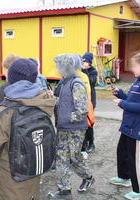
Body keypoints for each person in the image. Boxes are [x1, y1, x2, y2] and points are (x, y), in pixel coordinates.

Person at [0, 58, 56, 200]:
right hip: (34, 169)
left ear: (12, 78)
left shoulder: (5, 110)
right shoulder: (43, 102)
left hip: (11, 175)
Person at [110, 52, 140, 200]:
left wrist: (123, 104)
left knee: (135, 159)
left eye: (134, 66)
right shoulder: (139, 81)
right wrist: (120, 95)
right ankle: (124, 177)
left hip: (137, 128)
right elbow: (133, 101)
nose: (132, 69)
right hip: (129, 125)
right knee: (123, 152)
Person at [48, 54, 95, 200]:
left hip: (74, 129)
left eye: (59, 66)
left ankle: (88, 177)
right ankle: (65, 191)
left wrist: (67, 118)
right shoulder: (64, 82)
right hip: (63, 128)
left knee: (73, 158)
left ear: (66, 67)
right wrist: (52, 99)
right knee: (61, 158)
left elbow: (82, 110)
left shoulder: (76, 83)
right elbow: (65, 103)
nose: (57, 69)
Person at [82, 52, 98, 153]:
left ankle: (91, 143)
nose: (84, 63)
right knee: (82, 123)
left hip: (90, 100)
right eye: (83, 61)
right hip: (82, 100)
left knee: (89, 123)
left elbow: (91, 81)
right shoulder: (80, 70)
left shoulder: (93, 71)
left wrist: (85, 70)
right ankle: (84, 142)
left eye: (86, 61)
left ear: (90, 63)